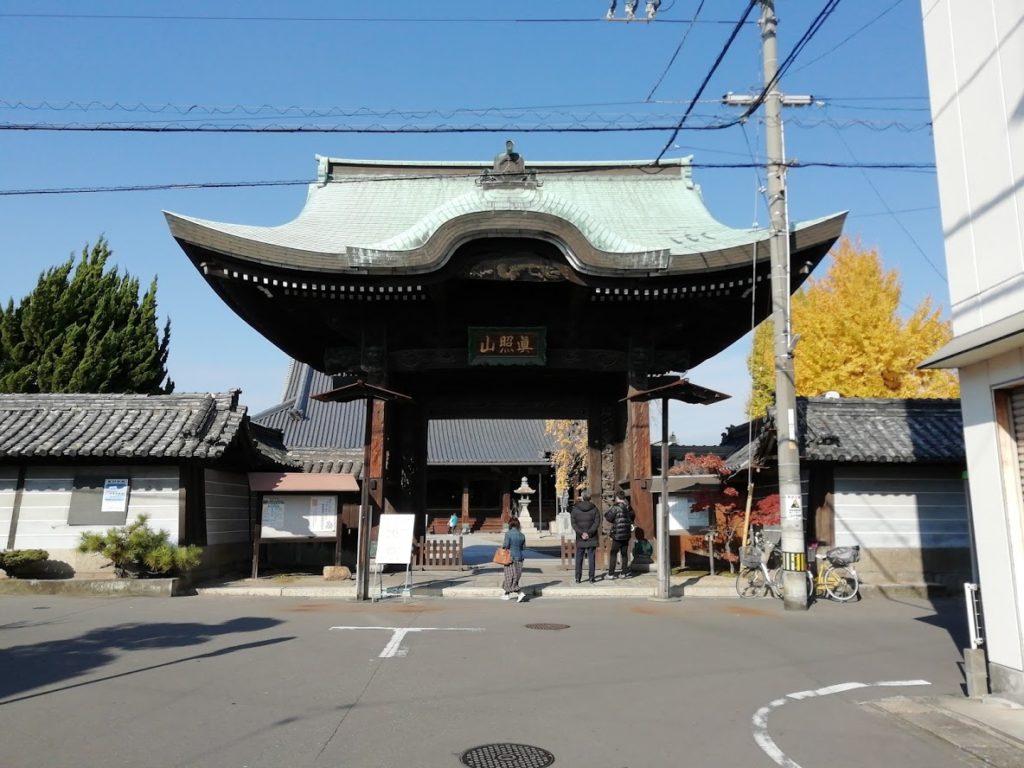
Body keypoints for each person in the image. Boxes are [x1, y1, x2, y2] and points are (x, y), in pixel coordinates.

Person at [570, 489, 600, 583]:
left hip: (580, 537)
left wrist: (581, 533)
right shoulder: (595, 508)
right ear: (589, 498)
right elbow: (597, 522)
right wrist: (589, 533)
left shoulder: (575, 509)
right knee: (591, 557)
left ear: (582, 498)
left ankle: (578, 578)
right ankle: (591, 577)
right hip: (592, 536)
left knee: (579, 557)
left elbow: (573, 523)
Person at [604, 490, 635, 579]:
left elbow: (608, 517)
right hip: (626, 534)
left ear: (617, 498)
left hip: (617, 534)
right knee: (624, 554)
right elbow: (632, 516)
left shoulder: (615, 507)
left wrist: (609, 511)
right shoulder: (628, 507)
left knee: (613, 553)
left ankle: (611, 574)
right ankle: (624, 573)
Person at [501, 516, 528, 602]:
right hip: (520, 558)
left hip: (510, 558)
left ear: (510, 524)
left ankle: (520, 593)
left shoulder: (508, 534)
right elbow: (523, 547)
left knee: (510, 576)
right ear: (518, 525)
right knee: (514, 577)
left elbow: (506, 545)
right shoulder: (522, 535)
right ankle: (506, 594)